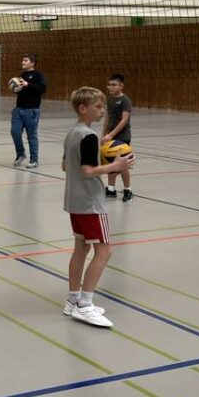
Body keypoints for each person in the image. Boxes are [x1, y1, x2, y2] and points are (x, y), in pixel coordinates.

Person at [62, 87, 133, 328]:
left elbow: (65, 166)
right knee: (104, 251)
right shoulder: (89, 136)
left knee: (80, 249)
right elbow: (88, 171)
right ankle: (85, 305)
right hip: (91, 203)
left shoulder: (72, 133)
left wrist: (97, 159)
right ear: (83, 109)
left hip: (74, 201)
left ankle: (72, 300)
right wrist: (115, 166)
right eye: (98, 107)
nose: (103, 111)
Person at [11, 53, 47, 169]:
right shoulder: (22, 75)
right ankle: (21, 154)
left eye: (25, 60)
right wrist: (15, 88)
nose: (23, 62)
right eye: (23, 60)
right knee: (15, 132)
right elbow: (21, 90)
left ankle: (34, 160)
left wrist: (28, 84)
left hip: (31, 109)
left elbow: (42, 88)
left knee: (31, 135)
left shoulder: (38, 75)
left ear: (32, 63)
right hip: (18, 108)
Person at [102, 73, 133, 202]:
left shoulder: (125, 100)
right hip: (110, 136)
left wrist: (111, 134)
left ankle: (127, 190)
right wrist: (104, 134)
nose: (110, 87)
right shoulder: (110, 100)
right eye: (109, 84)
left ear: (121, 86)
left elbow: (124, 120)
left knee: (122, 164)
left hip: (122, 137)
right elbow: (107, 118)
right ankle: (111, 189)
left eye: (114, 85)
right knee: (110, 162)